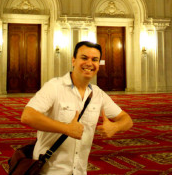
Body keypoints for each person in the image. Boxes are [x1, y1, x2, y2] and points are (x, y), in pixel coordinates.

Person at [20, 41, 133, 174]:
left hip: (79, 171)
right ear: (74, 61)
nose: (89, 63)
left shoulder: (97, 94)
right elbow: (27, 116)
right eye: (84, 58)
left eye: (95, 60)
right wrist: (66, 128)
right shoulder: (54, 87)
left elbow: (127, 120)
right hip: (49, 170)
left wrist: (116, 126)